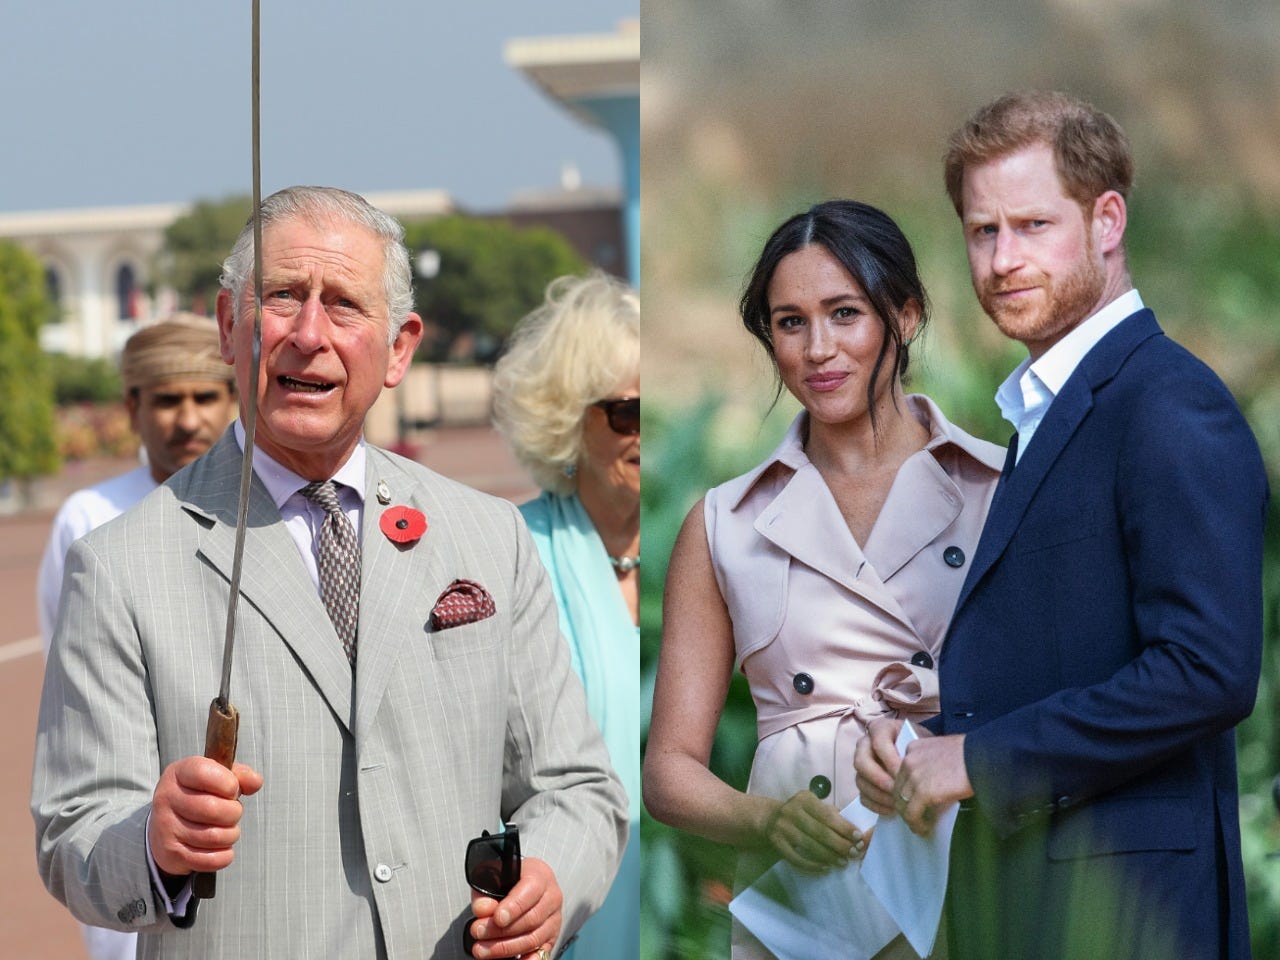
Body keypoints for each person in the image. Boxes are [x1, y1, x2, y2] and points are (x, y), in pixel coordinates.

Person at [32, 185, 628, 960]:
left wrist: (550, 875)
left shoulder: (488, 538)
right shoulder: (119, 566)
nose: (308, 334)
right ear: (228, 326)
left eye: (344, 305)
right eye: (281, 297)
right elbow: (72, 835)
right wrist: (153, 839)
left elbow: (578, 788)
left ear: (401, 347)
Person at [854, 91, 1268, 960]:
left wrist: (981, 761)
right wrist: (931, 747)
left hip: (1134, 918)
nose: (1003, 260)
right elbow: (1065, 655)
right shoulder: (1049, 412)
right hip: (1033, 909)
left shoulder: (1168, 404)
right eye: (982, 232)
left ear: (1106, 220)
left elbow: (1208, 670)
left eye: (1033, 225)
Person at [644, 200, 1005, 959]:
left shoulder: (1000, 490)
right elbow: (670, 771)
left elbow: (1061, 700)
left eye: (845, 314)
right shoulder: (724, 524)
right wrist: (766, 821)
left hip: (966, 861)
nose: (818, 349)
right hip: (800, 898)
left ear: (904, 318)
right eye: (789, 322)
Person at [35, 314, 236, 960]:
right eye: (167, 400)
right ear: (131, 406)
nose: (188, 420)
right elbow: (74, 693)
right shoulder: (91, 521)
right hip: (133, 834)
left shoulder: (260, 510)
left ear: (233, 401)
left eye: (205, 397)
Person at [491, 272, 641, 960]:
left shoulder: (707, 536)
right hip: (563, 909)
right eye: (627, 413)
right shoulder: (505, 555)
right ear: (566, 419)